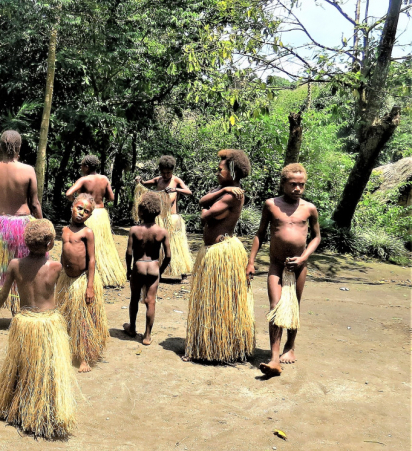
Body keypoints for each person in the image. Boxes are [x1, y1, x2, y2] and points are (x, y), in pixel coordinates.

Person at [0, 219, 75, 440]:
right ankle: (43, 412)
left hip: (24, 323)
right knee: (46, 369)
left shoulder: (15, 264)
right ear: (50, 244)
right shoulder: (55, 267)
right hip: (47, 324)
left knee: (24, 366)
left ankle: (17, 406)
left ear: (25, 242)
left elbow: (3, 294)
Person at [247, 163, 320, 377]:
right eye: (293, 184)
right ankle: (274, 357)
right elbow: (260, 234)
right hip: (277, 264)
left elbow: (316, 237)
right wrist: (251, 262)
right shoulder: (271, 205)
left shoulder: (309, 208)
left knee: (294, 306)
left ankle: (291, 346)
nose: (297, 189)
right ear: (283, 184)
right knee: (276, 306)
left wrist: (303, 258)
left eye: (301, 185)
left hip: (299, 266)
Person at [184, 149, 255, 363]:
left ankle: (226, 347)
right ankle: (208, 345)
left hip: (222, 253)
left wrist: (207, 211)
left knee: (222, 302)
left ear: (232, 171)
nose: (217, 171)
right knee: (209, 301)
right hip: (212, 253)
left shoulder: (234, 195)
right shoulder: (225, 190)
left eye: (221, 169)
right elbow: (202, 202)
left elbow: (207, 212)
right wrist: (219, 191)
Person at [0, 130, 42, 314]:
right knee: (24, 267)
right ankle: (21, 308)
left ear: (0, 147)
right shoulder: (28, 170)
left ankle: (0, 308)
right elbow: (34, 203)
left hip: (0, 224)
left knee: (1, 267)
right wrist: (42, 225)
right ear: (19, 147)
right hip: (22, 224)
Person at [57, 194, 109, 372]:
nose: (81, 213)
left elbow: (92, 260)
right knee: (69, 319)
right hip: (67, 281)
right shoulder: (64, 230)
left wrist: (90, 286)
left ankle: (84, 357)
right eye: (79, 208)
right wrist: (58, 276)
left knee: (83, 321)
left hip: (82, 280)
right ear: (72, 206)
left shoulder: (87, 232)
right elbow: (63, 255)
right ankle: (70, 352)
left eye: (86, 212)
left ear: (90, 216)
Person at [65, 155, 125, 287]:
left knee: (86, 247)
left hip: (89, 214)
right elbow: (111, 197)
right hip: (101, 214)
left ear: (86, 166)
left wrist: (75, 202)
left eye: (82, 165)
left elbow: (69, 193)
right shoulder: (104, 179)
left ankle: (89, 276)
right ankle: (107, 276)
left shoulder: (84, 180)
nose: (81, 168)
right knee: (103, 246)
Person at [133, 155, 193, 279]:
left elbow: (189, 192)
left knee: (176, 245)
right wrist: (139, 181)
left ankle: (182, 271)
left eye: (169, 173)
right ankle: (157, 269)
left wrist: (175, 189)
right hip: (161, 218)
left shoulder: (175, 180)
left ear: (173, 171)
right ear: (160, 171)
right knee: (159, 245)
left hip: (172, 218)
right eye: (164, 172)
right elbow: (144, 184)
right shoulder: (158, 180)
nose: (166, 175)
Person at [123, 192, 171, 346]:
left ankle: (132, 328)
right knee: (151, 301)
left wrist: (129, 270)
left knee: (134, 298)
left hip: (139, 266)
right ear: (158, 211)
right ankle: (147, 336)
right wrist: (160, 271)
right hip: (153, 267)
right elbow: (168, 256)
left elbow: (129, 252)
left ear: (141, 211)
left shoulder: (135, 230)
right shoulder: (162, 232)